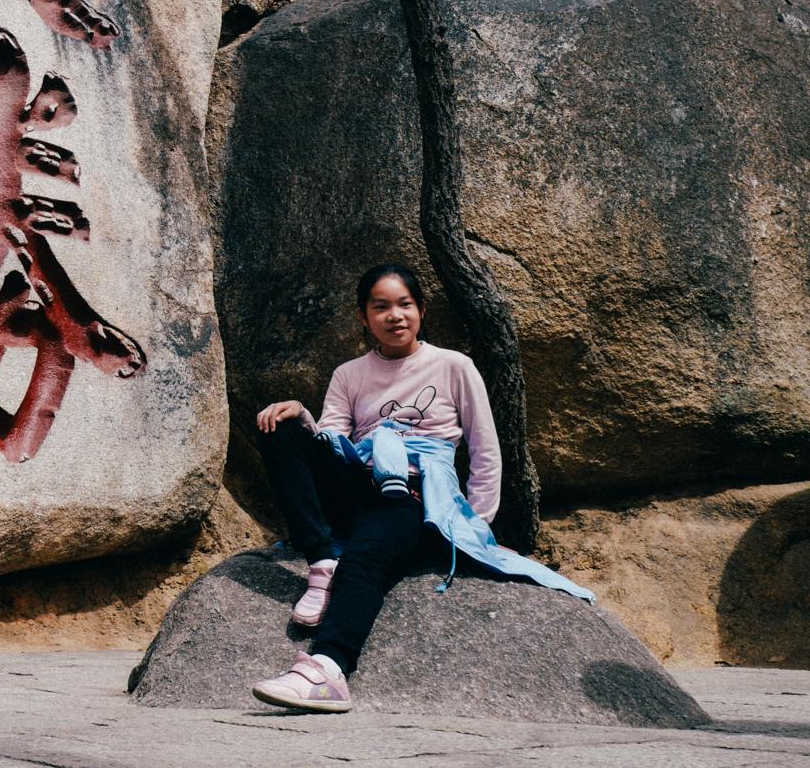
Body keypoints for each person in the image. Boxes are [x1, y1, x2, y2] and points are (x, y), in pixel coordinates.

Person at [248, 264, 592, 713]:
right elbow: (331, 443)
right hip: (360, 479)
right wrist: (302, 416)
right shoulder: (349, 373)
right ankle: (321, 562)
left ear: (421, 310)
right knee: (279, 424)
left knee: (366, 557)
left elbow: (485, 447)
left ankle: (328, 669)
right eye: (381, 307)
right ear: (363, 317)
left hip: (414, 493)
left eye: (405, 304)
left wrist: (474, 525)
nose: (395, 316)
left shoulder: (453, 366)